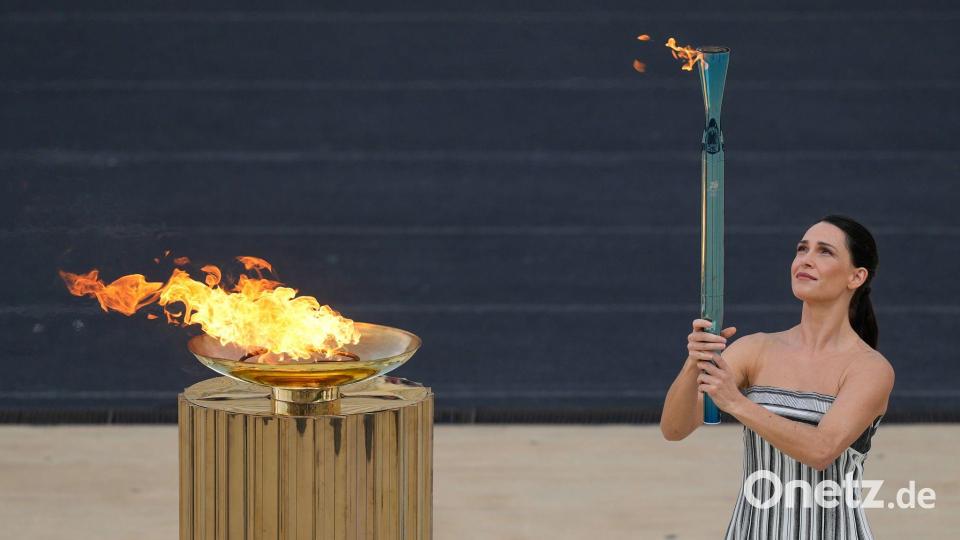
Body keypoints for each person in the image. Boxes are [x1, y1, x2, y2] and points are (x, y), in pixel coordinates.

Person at [659, 214, 895, 539]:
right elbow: (674, 428)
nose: (806, 260)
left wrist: (736, 403)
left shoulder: (869, 368)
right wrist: (692, 364)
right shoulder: (756, 349)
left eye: (824, 252)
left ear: (856, 277)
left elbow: (821, 451)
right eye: (802, 249)